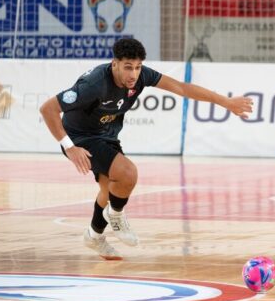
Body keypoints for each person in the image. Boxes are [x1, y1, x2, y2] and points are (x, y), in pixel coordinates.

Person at [39, 38, 253, 260]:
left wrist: (225, 102)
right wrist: (70, 147)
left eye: (138, 67)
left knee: (109, 189)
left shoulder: (141, 77)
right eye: (128, 67)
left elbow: (181, 88)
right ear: (115, 64)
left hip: (106, 135)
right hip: (79, 137)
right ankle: (117, 215)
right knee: (127, 174)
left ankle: (94, 236)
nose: (134, 74)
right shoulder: (94, 84)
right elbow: (48, 109)